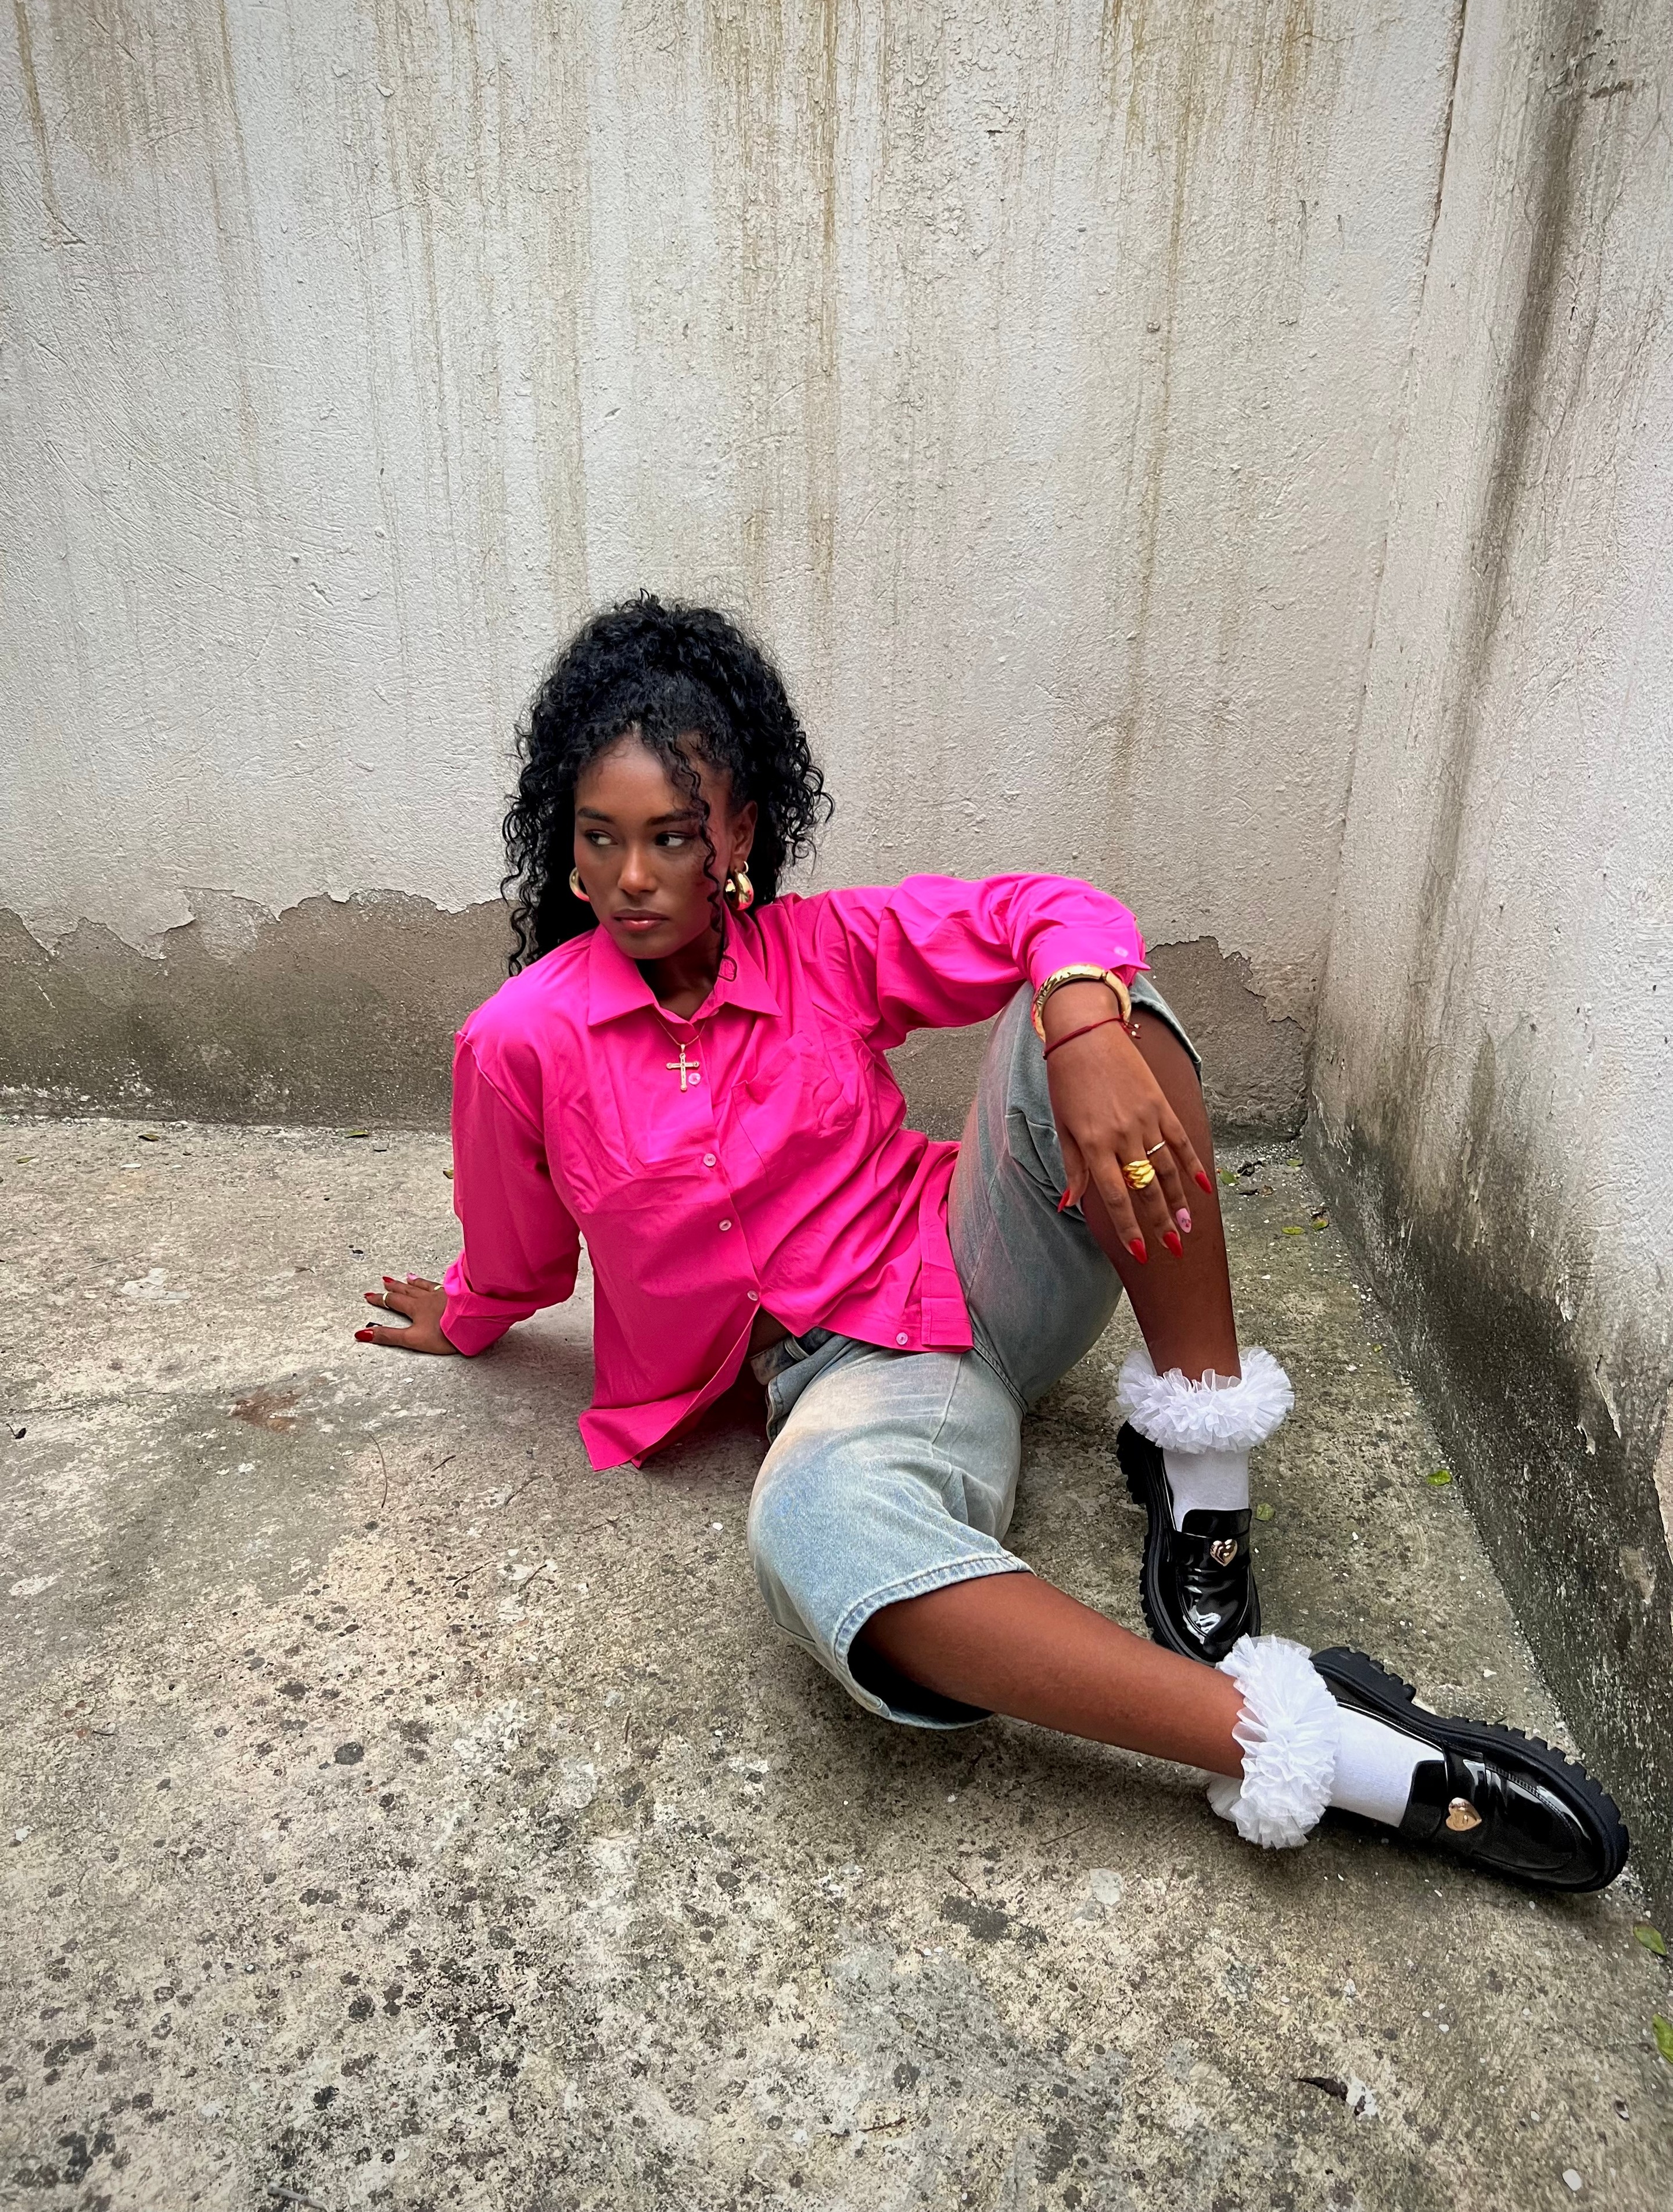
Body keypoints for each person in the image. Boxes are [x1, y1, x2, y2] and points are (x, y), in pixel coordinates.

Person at [354, 594, 1627, 1893]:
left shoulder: (823, 951)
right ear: (566, 847)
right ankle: (1333, 1750)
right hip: (863, 1387)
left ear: (735, 835)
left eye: (672, 836)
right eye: (602, 837)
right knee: (812, 1536)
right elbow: (520, 1255)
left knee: (1106, 1012)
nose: (634, 876)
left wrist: (1078, 1030)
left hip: (983, 1263)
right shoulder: (517, 1043)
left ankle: (1202, 1476)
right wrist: (466, 1313)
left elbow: (1049, 908)